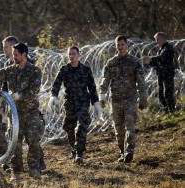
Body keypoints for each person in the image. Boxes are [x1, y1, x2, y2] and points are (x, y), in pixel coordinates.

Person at [0, 43, 45, 181]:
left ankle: (33, 169)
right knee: (15, 144)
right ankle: (16, 171)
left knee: (34, 141)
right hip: (14, 115)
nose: (13, 57)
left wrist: (20, 95)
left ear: (24, 54)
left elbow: (35, 90)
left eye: (16, 55)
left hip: (31, 113)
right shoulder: (10, 70)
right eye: (13, 54)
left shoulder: (34, 71)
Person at [49, 46, 103, 164]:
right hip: (69, 103)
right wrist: (53, 96)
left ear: (79, 55)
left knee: (83, 125)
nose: (71, 56)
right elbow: (56, 85)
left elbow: (92, 88)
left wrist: (96, 103)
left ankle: (79, 152)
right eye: (69, 54)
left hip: (83, 102)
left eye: (74, 54)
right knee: (69, 128)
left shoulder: (86, 70)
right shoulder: (64, 69)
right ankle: (74, 148)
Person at [99, 35, 148, 163]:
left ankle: (130, 150)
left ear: (127, 45)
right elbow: (105, 80)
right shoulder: (111, 62)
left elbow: (141, 81)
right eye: (118, 45)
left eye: (122, 44)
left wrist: (143, 97)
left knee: (130, 125)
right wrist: (102, 95)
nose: (120, 47)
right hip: (115, 99)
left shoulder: (135, 62)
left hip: (130, 98)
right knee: (118, 128)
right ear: (116, 46)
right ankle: (122, 151)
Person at [2, 36, 46, 171]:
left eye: (5, 47)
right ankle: (15, 166)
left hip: (29, 107)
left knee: (32, 136)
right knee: (14, 138)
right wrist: (2, 101)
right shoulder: (7, 65)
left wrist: (20, 95)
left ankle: (38, 161)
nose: (4, 50)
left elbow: (33, 87)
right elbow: (5, 85)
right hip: (14, 109)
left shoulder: (29, 64)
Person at [143, 32, 176, 114]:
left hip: (167, 74)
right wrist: (149, 62)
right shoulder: (160, 49)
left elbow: (161, 58)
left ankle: (172, 111)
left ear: (163, 38)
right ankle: (166, 110)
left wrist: (150, 58)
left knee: (167, 93)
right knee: (161, 94)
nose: (156, 41)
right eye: (155, 39)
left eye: (158, 39)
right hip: (161, 74)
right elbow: (157, 63)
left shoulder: (168, 48)